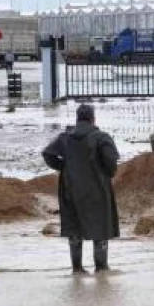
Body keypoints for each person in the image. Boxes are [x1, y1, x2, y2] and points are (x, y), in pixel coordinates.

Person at [42, 104, 121, 275]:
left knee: (73, 227)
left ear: (77, 119)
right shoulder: (102, 137)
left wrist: (63, 167)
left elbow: (47, 154)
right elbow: (111, 164)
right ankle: (101, 268)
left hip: (70, 189)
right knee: (100, 228)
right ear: (93, 119)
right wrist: (105, 172)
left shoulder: (65, 138)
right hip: (97, 189)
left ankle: (77, 269)